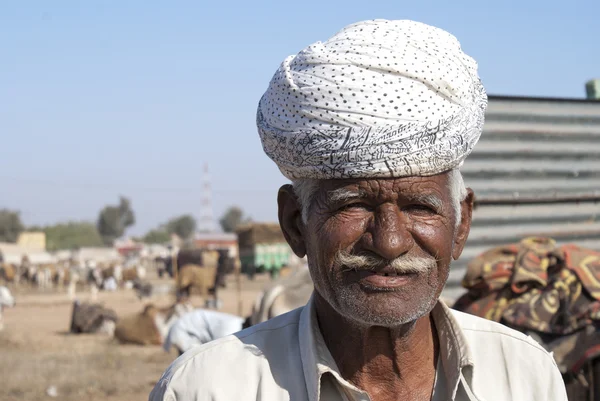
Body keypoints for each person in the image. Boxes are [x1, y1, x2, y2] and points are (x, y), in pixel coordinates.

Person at [149, 19, 567, 401]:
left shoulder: (525, 376)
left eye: (420, 207)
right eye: (353, 205)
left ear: (461, 225)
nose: (389, 242)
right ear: (296, 223)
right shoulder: (205, 388)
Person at [163, 309, 245, 356]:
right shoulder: (231, 330)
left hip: (189, 329)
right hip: (185, 331)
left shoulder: (238, 322)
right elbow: (219, 351)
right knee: (191, 363)